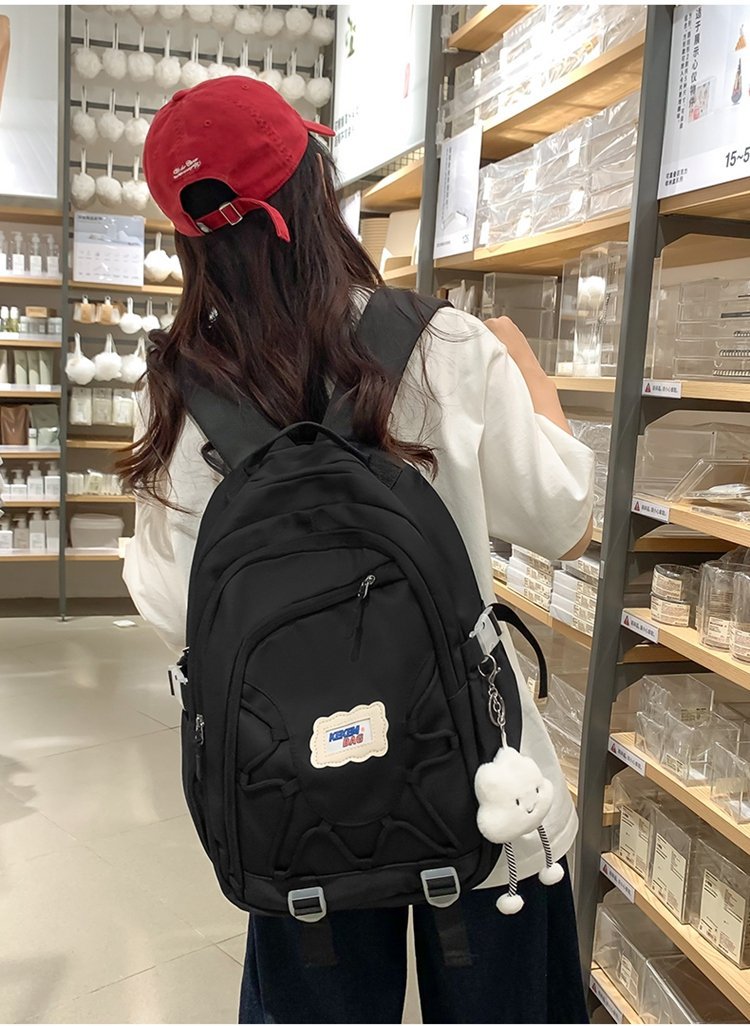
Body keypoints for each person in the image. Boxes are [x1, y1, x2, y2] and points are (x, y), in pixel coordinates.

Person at [121, 77, 594, 1025]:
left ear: (186, 236)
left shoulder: (176, 391)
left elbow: (176, 610)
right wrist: (528, 374)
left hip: (293, 789)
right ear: (315, 186)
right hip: (482, 774)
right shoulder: (445, 343)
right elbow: (564, 518)